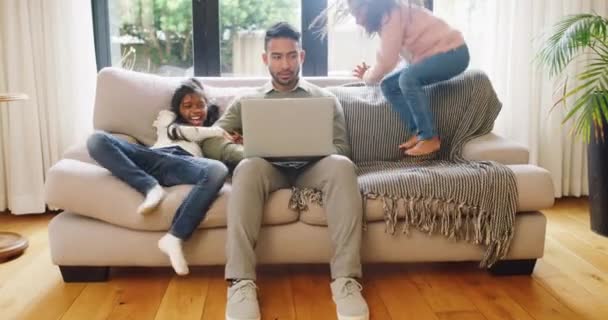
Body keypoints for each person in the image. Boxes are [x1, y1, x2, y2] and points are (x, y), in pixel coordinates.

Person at [202, 22, 369, 320]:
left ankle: (346, 281)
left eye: (291, 55)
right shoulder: (247, 101)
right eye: (277, 57)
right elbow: (211, 140)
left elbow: (343, 150)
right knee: (247, 168)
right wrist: (248, 151)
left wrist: (313, 148)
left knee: (342, 167)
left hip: (313, 168)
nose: (285, 64)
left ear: (302, 56)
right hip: (268, 169)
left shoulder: (325, 99)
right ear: (265, 59)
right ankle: (240, 282)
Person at [86, 78, 229, 276]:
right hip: (152, 157)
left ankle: (175, 237)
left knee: (217, 170)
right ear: (178, 108)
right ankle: (149, 186)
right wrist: (217, 131)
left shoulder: (213, 130)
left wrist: (226, 135)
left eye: (200, 105)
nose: (195, 111)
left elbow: (222, 153)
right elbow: (180, 131)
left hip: (183, 164)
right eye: (187, 106)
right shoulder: (168, 118)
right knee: (96, 140)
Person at [344, 0, 470, 156]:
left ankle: (429, 137)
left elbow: (386, 62)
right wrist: (372, 71)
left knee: (407, 79)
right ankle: (419, 132)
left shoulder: (391, 16)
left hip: (454, 53)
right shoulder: (391, 17)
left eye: (357, 14)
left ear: (370, 6)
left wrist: (367, 76)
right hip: (437, 55)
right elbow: (394, 59)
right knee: (389, 85)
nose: (357, 21)